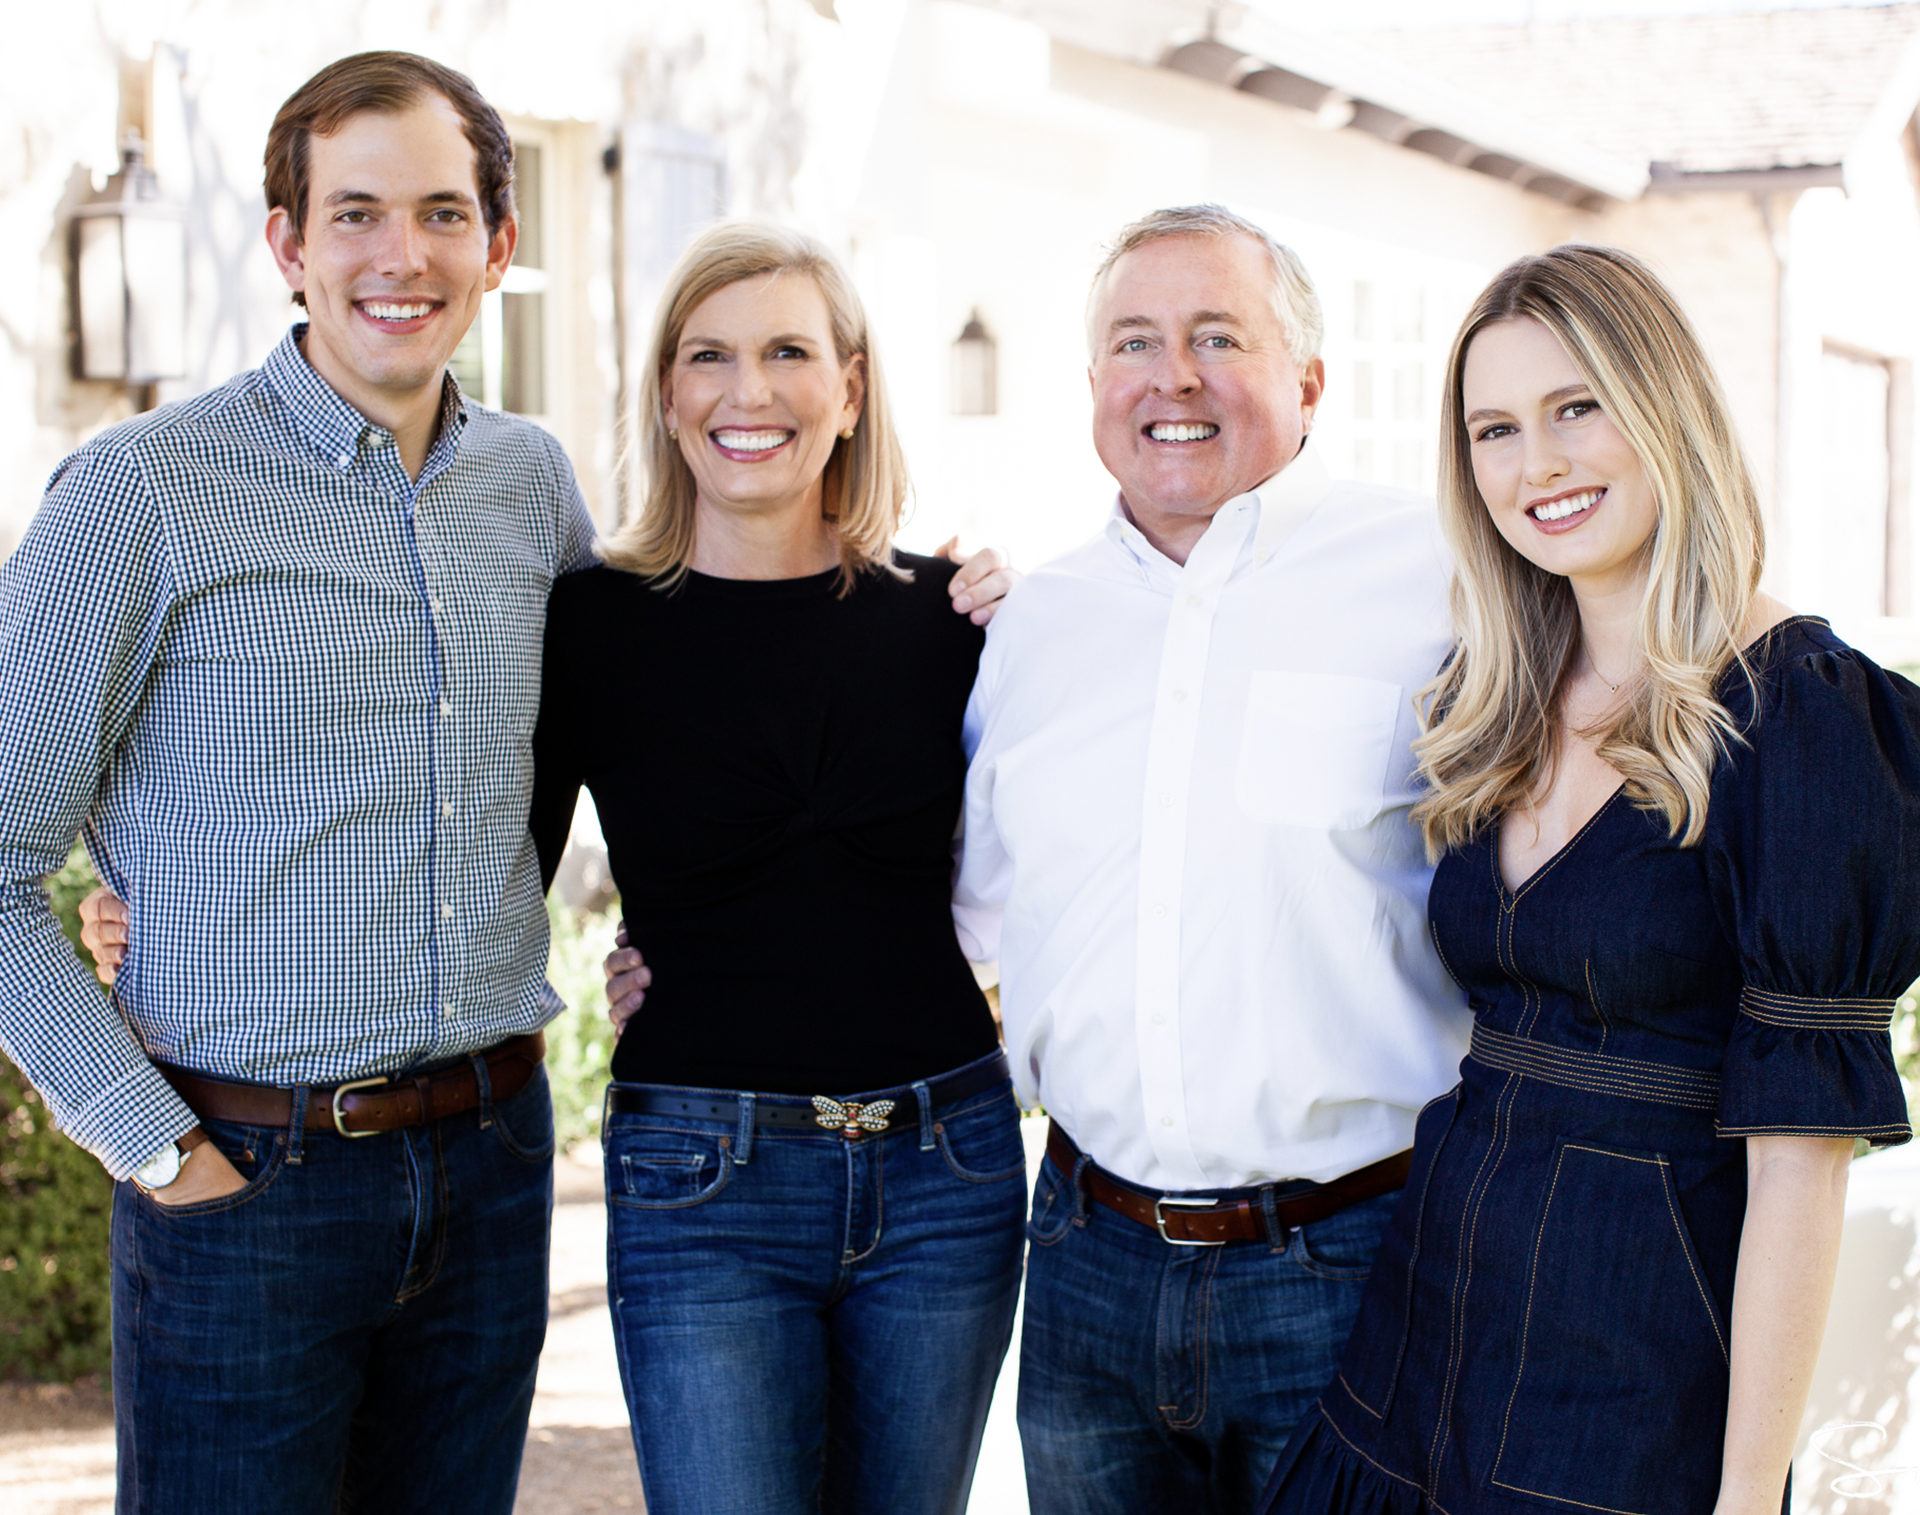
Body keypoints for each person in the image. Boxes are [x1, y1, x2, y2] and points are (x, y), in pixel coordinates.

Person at [16, 50, 1014, 1515]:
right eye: (354, 213)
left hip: (489, 1164)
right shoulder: (144, 489)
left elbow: (557, 774)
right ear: (288, 243)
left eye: (438, 211)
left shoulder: (531, 490)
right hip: (247, 1171)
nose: (399, 255)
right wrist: (145, 1132)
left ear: (499, 243)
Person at [1259, 244, 1918, 1515]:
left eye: (1577, 408)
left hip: (1632, 1393)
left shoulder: (1801, 714)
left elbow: (1801, 1164)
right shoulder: (1488, 693)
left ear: (1662, 406)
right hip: (1419, 1348)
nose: (1538, 464)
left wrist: (1744, 1496)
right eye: (1494, 430)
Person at [944, 204, 1473, 1513]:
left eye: (1216, 335)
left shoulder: (1443, 578)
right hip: (1086, 1260)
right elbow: (960, 915)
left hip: (1351, 1259)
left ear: (1308, 379)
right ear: (1090, 390)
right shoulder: (1031, 624)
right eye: (1134, 341)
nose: (1170, 374)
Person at [525, 221, 1028, 1515]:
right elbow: (471, 865)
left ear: (851, 388)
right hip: (704, 1177)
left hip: (948, 1166)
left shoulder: (952, 617)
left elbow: (1072, 844)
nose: (750, 392)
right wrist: (171, 898)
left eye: (790, 351)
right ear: (669, 393)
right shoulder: (587, 623)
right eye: (711, 356)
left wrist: (1029, 619)